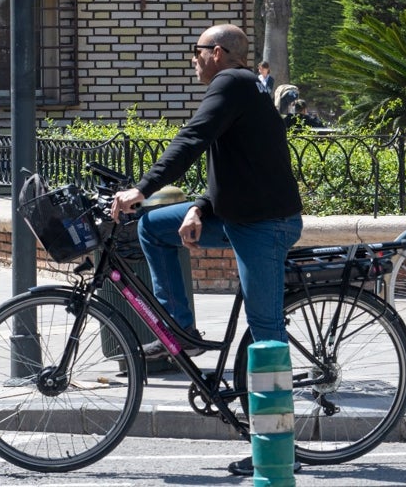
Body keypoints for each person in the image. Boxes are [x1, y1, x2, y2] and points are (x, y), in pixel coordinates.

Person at [110, 24, 304, 478]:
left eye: (195, 52)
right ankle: (180, 327)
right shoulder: (245, 87)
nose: (192, 60)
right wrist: (198, 207)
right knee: (155, 228)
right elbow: (238, 163)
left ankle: (275, 450)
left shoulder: (231, 83)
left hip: (263, 226)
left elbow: (192, 140)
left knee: (266, 332)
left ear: (217, 52)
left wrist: (141, 188)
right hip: (239, 216)